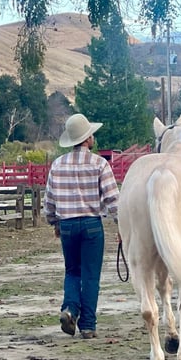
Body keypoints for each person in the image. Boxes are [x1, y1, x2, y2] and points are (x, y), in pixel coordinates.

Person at [44, 113, 120, 339]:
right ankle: (87, 325)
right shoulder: (99, 164)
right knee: (90, 275)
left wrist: (54, 222)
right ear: (87, 139)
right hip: (91, 225)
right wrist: (122, 226)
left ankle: (70, 309)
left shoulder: (58, 164)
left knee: (72, 271)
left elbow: (49, 201)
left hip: (67, 225)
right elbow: (113, 200)